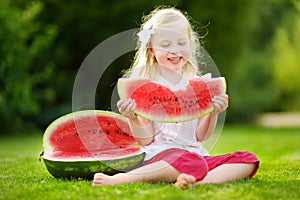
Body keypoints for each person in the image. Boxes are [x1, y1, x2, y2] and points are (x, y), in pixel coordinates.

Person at [92, 7, 259, 188]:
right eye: (165, 45)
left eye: (181, 43)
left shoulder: (198, 86)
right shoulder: (145, 88)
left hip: (197, 156)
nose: (175, 50)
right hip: (160, 157)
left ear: (190, 45)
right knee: (190, 161)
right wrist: (132, 117)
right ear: (151, 51)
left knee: (248, 159)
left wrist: (214, 112)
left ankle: (196, 182)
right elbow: (146, 140)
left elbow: (200, 136)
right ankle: (122, 179)